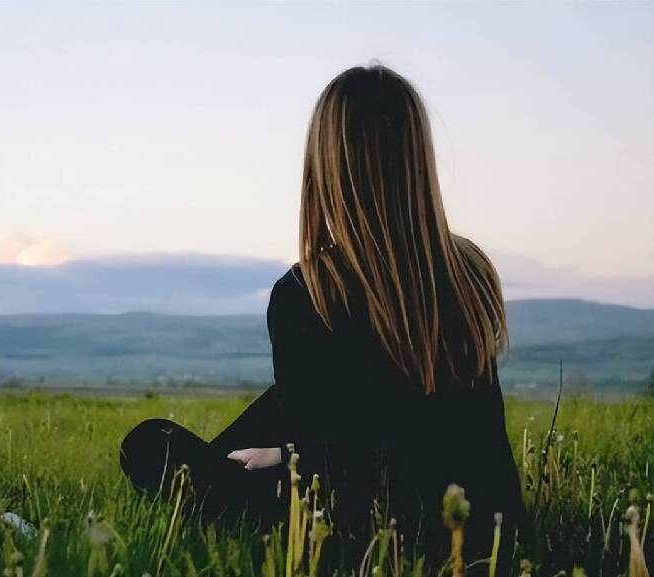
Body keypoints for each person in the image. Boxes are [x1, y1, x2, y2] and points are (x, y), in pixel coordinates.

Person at [119, 63, 525, 575]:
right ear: (416, 157)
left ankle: (209, 492)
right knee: (283, 404)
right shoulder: (470, 269)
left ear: (329, 164)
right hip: (484, 527)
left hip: (361, 531)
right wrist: (282, 451)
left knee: (149, 445)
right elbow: (415, 421)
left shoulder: (309, 291)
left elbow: (340, 473)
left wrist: (282, 459)